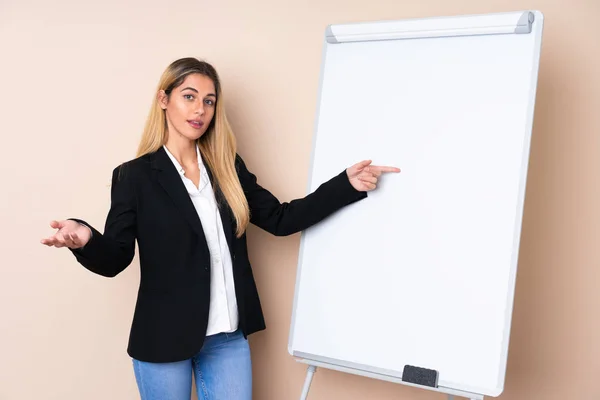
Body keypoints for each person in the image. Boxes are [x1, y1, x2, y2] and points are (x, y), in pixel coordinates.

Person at [40, 57, 400, 400]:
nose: (200, 110)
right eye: (189, 97)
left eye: (209, 101)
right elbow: (116, 257)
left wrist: (345, 185)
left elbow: (280, 219)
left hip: (227, 339)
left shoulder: (227, 167)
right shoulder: (134, 177)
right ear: (163, 99)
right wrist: (84, 238)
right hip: (162, 337)